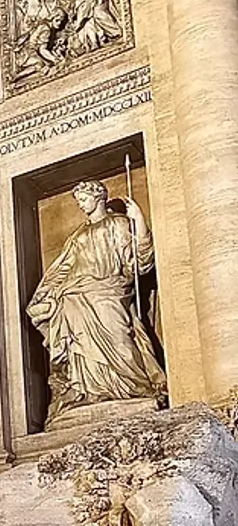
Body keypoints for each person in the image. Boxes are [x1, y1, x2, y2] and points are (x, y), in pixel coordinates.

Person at [27, 179, 166, 424]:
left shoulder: (118, 224)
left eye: (84, 199)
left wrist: (140, 222)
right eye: (79, 200)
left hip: (109, 292)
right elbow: (63, 269)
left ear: (99, 197)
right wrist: (47, 293)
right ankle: (88, 391)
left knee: (120, 339)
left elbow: (138, 262)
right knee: (79, 346)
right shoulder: (76, 236)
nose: (81, 205)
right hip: (75, 296)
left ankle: (133, 388)